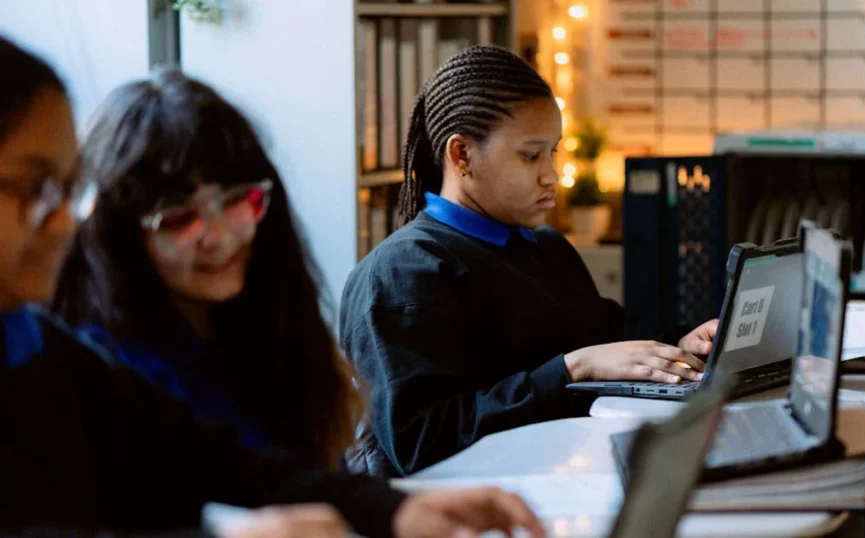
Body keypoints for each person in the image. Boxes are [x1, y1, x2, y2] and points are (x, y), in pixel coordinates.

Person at [0, 35, 544, 538]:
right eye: (30, 187)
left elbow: (211, 459)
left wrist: (393, 507)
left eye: (63, 189)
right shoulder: (91, 344)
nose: (62, 222)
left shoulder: (43, 344)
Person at [339, 45, 719, 477]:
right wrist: (573, 368)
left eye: (552, 152)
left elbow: (610, 344)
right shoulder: (401, 275)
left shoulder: (545, 247)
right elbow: (422, 442)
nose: (551, 175)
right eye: (530, 155)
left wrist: (678, 350)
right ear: (462, 155)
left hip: (561, 487)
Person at [54, 68, 358, 468]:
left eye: (236, 200)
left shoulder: (271, 315)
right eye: (179, 217)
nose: (218, 236)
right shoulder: (104, 361)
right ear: (121, 235)